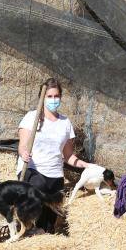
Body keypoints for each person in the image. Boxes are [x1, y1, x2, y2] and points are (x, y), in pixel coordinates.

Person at [17, 77, 89, 233]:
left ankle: (44, 235)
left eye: (56, 96)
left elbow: (68, 155)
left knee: (49, 224)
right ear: (42, 98)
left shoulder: (65, 122)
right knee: (38, 194)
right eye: (49, 96)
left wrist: (86, 165)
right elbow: (22, 145)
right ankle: (27, 230)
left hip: (55, 174)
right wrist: (23, 153)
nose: (53, 99)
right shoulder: (32, 118)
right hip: (33, 171)